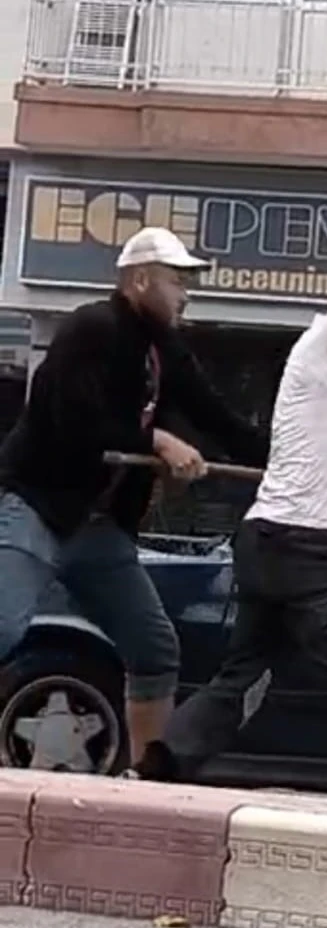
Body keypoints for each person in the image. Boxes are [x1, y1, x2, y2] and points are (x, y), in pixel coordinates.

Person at [132, 231, 327, 801]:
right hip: (314, 549)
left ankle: (159, 768)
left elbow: (307, 451)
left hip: (267, 542)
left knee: (246, 679)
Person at [0, 226, 269, 765]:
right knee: (2, 627)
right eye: (177, 281)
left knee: (154, 649)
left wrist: (290, 464)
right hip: (36, 507)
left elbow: (221, 420)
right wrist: (157, 441)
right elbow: (75, 422)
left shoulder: (165, 352)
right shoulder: (90, 328)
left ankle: (148, 780)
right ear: (141, 280)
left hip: (100, 529)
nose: (186, 294)